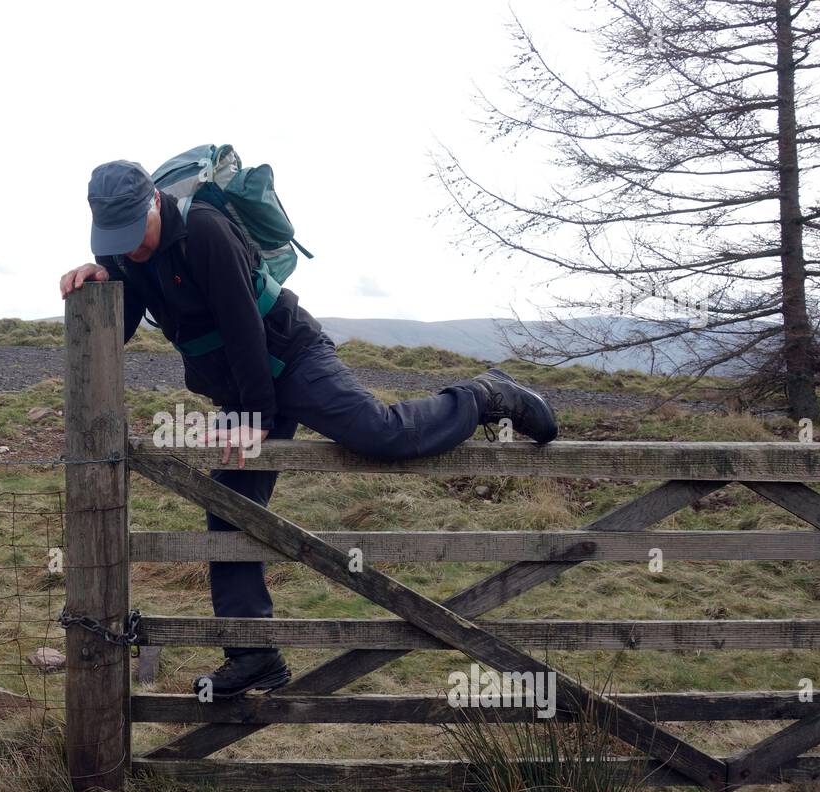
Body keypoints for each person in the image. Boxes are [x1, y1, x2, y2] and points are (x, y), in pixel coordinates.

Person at [60, 160, 558, 699]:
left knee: (378, 431)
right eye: (118, 239)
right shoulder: (119, 250)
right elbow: (127, 322)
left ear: (155, 201)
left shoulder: (204, 229)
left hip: (290, 357)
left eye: (137, 232)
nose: (132, 247)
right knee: (229, 515)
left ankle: (485, 395)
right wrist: (99, 284)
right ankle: (254, 656)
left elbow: (242, 323)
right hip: (240, 387)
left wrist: (255, 418)